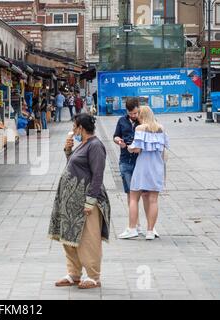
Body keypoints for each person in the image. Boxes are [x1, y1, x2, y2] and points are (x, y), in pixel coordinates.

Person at [49, 114, 111, 289]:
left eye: (74, 127)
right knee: (69, 237)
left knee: (88, 238)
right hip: (71, 201)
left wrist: (90, 201)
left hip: (87, 200)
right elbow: (74, 167)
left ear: (81, 128)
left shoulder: (95, 146)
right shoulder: (82, 145)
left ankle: (93, 276)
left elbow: (97, 174)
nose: (73, 131)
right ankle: (74, 273)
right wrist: (68, 151)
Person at [125, 106, 169, 241]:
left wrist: (129, 147)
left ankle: (132, 228)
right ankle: (150, 231)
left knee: (133, 196)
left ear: (142, 115)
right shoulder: (161, 128)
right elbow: (164, 148)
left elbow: (137, 148)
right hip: (157, 165)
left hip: (143, 165)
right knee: (153, 200)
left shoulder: (140, 128)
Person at [114, 98, 147, 239]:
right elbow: (116, 135)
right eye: (131, 113)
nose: (133, 116)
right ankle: (136, 225)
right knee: (130, 195)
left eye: (135, 113)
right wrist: (118, 141)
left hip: (141, 161)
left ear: (138, 109)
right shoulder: (122, 120)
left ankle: (147, 227)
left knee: (144, 193)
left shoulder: (144, 121)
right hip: (125, 160)